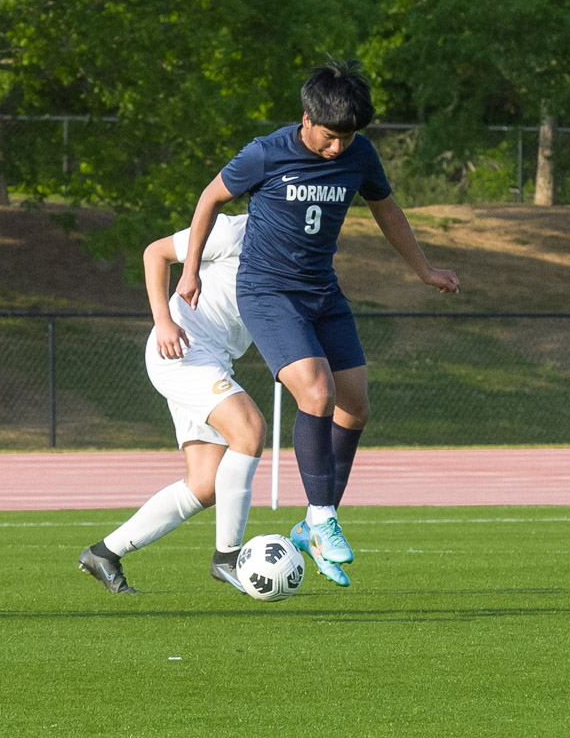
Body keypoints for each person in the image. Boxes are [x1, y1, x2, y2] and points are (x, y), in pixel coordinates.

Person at [175, 59, 459, 587]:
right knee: (316, 392)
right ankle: (325, 516)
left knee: (356, 407)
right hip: (267, 292)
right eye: (329, 138)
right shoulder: (265, 153)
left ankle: (311, 525)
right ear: (306, 118)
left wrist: (424, 270)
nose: (337, 149)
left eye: (347, 139)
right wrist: (190, 270)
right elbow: (210, 198)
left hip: (323, 293)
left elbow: (387, 210)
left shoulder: (359, 154)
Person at [78, 213, 265, 594]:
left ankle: (104, 553)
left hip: (215, 360)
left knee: (206, 485)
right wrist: (162, 320)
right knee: (249, 429)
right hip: (182, 351)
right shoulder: (231, 231)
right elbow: (155, 253)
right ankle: (227, 557)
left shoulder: (295, 250)